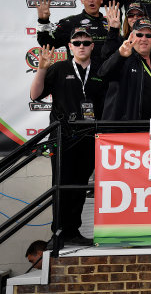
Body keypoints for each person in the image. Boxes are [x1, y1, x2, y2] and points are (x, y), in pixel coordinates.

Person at [30, 28, 106, 247]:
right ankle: (59, 232)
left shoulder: (101, 69)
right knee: (62, 183)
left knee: (80, 185)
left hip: (90, 136)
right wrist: (41, 70)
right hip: (64, 136)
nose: (81, 45)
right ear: (70, 46)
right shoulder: (59, 68)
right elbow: (35, 95)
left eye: (85, 42)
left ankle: (73, 230)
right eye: (77, 42)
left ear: (92, 46)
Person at [100, 18, 151, 120]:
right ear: (132, 36)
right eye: (139, 35)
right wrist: (120, 55)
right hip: (126, 129)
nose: (144, 39)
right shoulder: (124, 57)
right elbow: (103, 74)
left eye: (148, 35)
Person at [36, 0, 113, 64]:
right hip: (79, 74)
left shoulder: (111, 22)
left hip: (107, 74)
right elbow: (47, 43)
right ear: (81, 0)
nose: (91, 0)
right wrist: (43, 21)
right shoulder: (70, 22)